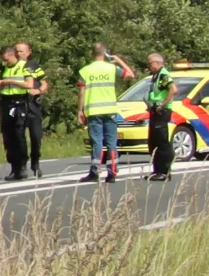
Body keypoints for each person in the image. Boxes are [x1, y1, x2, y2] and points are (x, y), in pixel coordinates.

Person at [77, 46, 136, 182]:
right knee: (111, 141)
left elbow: (81, 92)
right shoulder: (111, 68)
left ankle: (95, 171)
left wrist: (80, 110)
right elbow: (131, 75)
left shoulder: (85, 70)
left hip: (93, 110)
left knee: (96, 141)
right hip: (110, 110)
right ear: (105, 54)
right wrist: (118, 60)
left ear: (92, 54)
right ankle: (112, 172)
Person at [0, 41, 49, 181]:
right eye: (16, 51)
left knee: (35, 136)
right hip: (11, 103)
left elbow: (43, 82)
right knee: (13, 136)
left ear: (28, 52)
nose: (18, 53)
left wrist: (39, 91)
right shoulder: (5, 66)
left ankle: (35, 162)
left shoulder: (31, 66)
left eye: (21, 51)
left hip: (31, 104)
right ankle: (17, 167)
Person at [141, 53, 180, 179]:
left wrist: (162, 105)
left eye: (150, 63)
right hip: (154, 112)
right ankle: (157, 170)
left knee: (162, 142)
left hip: (161, 112)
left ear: (157, 63)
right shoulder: (155, 75)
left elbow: (173, 89)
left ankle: (165, 171)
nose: (148, 66)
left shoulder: (163, 74)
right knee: (153, 142)